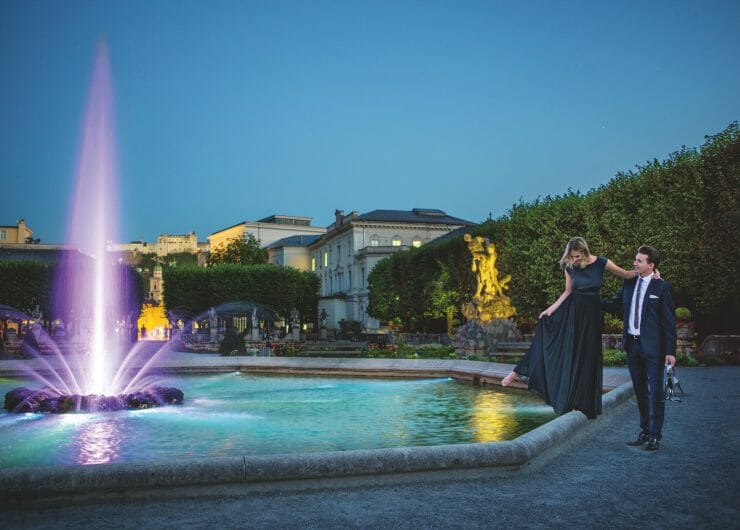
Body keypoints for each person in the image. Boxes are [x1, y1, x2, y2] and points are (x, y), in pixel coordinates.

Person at [501, 237, 646, 420]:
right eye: (572, 256)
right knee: (563, 347)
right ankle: (518, 373)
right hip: (573, 313)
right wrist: (550, 309)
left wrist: (648, 272)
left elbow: (625, 274)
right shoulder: (569, 268)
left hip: (593, 315)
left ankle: (584, 403)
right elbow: (567, 291)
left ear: (585, 252)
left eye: (577, 256)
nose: (575, 260)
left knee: (588, 357)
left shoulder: (602, 262)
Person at [602, 245, 676, 451]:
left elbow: (669, 322)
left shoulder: (661, 287)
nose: (634, 263)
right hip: (632, 346)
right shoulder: (629, 283)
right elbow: (613, 305)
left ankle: (655, 435)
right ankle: (644, 431)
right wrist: (589, 297)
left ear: (651, 265)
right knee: (640, 390)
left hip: (654, 348)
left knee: (656, 391)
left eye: (639, 261)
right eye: (635, 259)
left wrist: (671, 351)